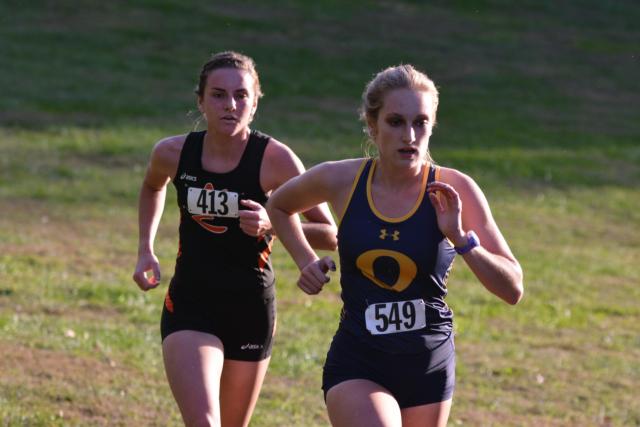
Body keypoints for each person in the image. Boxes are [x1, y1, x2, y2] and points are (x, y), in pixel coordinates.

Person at [266, 64, 524, 427]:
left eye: (421, 122)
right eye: (396, 122)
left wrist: (461, 240)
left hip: (428, 364)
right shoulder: (341, 179)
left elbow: (513, 288)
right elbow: (278, 204)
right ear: (373, 126)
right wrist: (305, 259)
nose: (409, 135)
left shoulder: (456, 189)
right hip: (359, 360)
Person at [132, 51, 337, 427]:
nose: (230, 105)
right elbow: (151, 186)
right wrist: (146, 249)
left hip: (251, 309)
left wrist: (271, 225)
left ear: (255, 104)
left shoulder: (275, 160)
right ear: (200, 101)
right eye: (218, 95)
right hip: (191, 302)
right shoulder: (173, 153)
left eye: (241, 96)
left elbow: (329, 234)